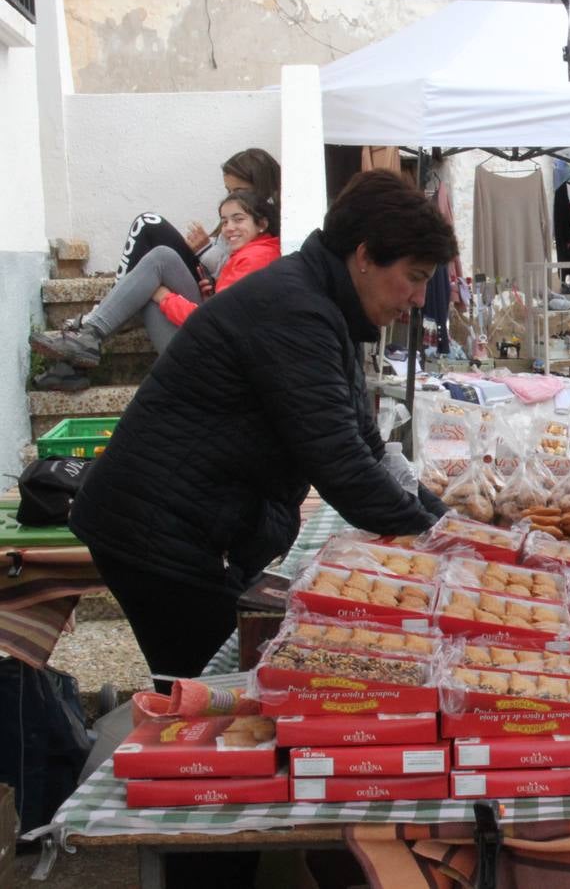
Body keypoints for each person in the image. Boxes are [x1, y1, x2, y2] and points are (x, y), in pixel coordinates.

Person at [68, 170, 455, 690]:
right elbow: (340, 464)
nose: (417, 297)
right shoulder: (294, 310)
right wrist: (449, 546)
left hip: (195, 526)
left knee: (238, 681)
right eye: (415, 275)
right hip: (156, 533)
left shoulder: (320, 303)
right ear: (365, 256)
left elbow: (365, 443)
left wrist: (453, 528)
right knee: (218, 696)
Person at [30, 190, 281, 366]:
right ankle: (86, 339)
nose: (228, 228)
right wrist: (210, 296)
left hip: (209, 361)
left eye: (238, 220)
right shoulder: (254, 252)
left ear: (261, 224)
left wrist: (165, 297)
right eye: (225, 221)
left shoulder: (255, 259)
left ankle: (89, 335)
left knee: (154, 278)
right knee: (160, 262)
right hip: (215, 347)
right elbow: (222, 314)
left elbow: (212, 324)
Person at [116, 147, 281, 283]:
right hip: (205, 278)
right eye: (228, 190)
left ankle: (113, 301)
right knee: (148, 229)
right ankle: (117, 300)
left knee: (148, 224)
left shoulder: (268, 227)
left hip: (210, 295)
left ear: (262, 187)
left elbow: (238, 276)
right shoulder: (237, 213)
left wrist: (205, 250)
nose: (231, 196)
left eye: (239, 190)